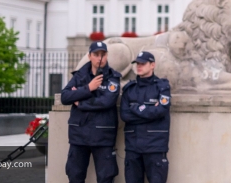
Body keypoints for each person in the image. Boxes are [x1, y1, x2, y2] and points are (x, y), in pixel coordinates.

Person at [61, 41, 122, 183]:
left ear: (107, 56)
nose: (99, 58)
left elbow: (106, 102)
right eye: (96, 54)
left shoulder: (113, 78)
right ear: (89, 56)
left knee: (106, 177)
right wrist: (88, 88)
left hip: (102, 135)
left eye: (103, 54)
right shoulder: (79, 76)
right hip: (79, 135)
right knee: (75, 175)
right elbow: (65, 97)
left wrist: (80, 102)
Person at [120, 51, 171, 183]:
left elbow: (161, 110)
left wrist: (136, 109)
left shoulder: (162, 87)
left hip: (155, 146)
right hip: (133, 147)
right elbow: (125, 115)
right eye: (137, 63)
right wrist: (151, 111)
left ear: (152, 65)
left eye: (143, 63)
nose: (139, 66)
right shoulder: (129, 89)